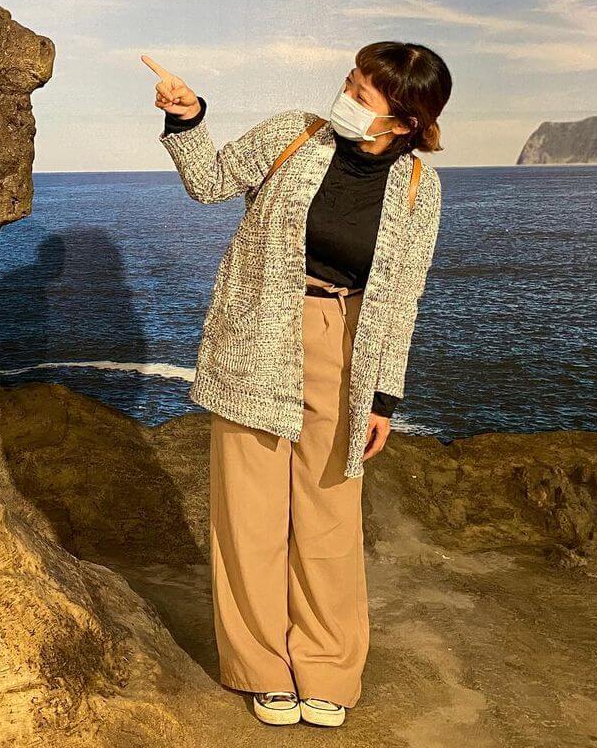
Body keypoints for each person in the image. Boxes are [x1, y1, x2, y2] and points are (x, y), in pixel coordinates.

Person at [142, 43, 451, 728]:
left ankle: (329, 668)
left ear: (402, 121)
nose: (345, 94)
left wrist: (384, 400)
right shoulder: (293, 133)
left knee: (329, 519)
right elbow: (210, 182)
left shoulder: (417, 189)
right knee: (248, 516)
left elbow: (402, 298)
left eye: (362, 92)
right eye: (350, 80)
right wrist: (188, 119)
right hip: (258, 334)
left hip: (348, 346)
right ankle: (261, 668)